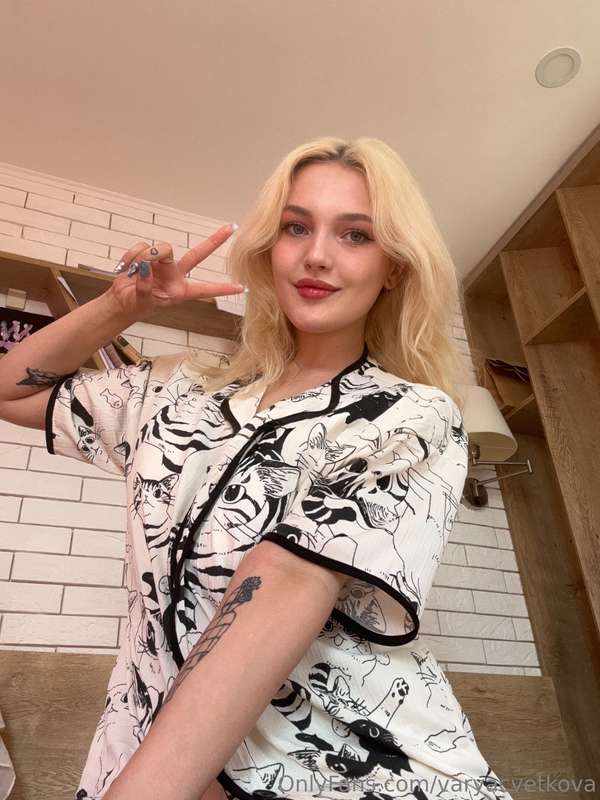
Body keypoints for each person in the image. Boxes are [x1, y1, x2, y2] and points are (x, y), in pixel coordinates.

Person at [0, 136, 512, 800]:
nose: (317, 254)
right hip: (140, 749)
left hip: (345, 772)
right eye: (297, 227)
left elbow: (289, 578)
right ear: (271, 248)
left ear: (392, 268)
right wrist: (120, 308)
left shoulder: (411, 413)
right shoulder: (179, 390)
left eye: (356, 235)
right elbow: (9, 391)